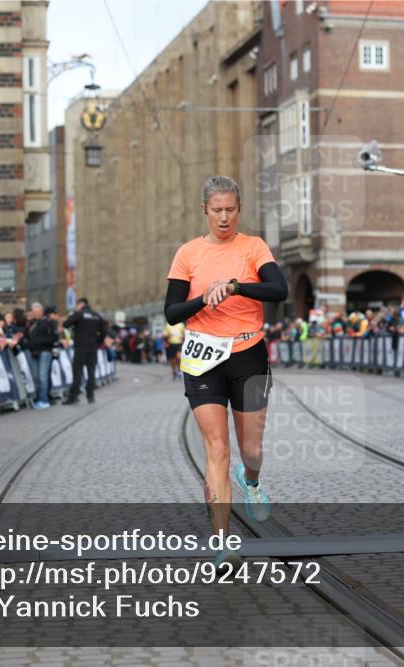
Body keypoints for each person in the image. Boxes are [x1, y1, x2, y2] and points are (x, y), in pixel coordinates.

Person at [164, 175, 287, 572]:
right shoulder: (188, 254)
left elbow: (279, 289)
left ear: (239, 209)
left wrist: (236, 287)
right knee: (216, 447)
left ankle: (250, 481)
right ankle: (222, 543)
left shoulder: (253, 247)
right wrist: (204, 297)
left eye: (230, 210)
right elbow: (172, 312)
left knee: (251, 449)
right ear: (204, 210)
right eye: (216, 210)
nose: (223, 217)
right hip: (203, 358)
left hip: (248, 353)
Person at [62, 298, 107, 405]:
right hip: (92, 348)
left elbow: (66, 324)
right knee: (91, 373)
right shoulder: (96, 315)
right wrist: (97, 342)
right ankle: (90, 396)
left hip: (80, 348)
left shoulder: (79, 314)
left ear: (81, 305)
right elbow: (104, 332)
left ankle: (73, 397)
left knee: (77, 372)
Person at [26, 303, 57, 409]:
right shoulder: (30, 324)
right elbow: (26, 337)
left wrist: (39, 342)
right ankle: (39, 399)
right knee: (35, 377)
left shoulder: (49, 322)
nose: (36, 313)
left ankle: (44, 400)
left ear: (42, 312)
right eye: (34, 312)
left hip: (45, 351)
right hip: (33, 352)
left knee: (43, 376)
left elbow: (53, 337)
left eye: (38, 311)